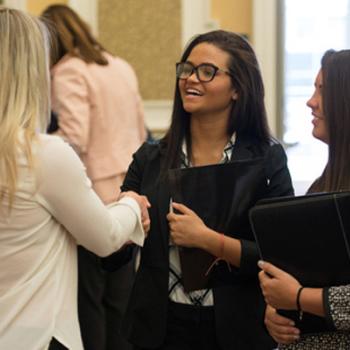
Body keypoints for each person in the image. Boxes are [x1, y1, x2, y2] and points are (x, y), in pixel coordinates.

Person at [120, 30, 294, 350]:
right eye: (186, 69)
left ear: (238, 89)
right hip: (160, 327)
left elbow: (280, 255)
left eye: (207, 71)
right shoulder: (150, 158)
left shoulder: (266, 160)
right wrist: (121, 219)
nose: (191, 79)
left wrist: (208, 240)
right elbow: (115, 256)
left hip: (236, 327)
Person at [0, 7, 149, 350]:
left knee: (94, 303)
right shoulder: (120, 66)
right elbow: (138, 129)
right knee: (115, 304)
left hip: (84, 194)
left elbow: (76, 136)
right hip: (100, 196)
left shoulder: (68, 73)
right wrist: (131, 200)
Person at [258, 49, 350, 349]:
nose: (311, 101)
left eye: (322, 90)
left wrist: (297, 298)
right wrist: (277, 311)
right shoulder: (322, 185)